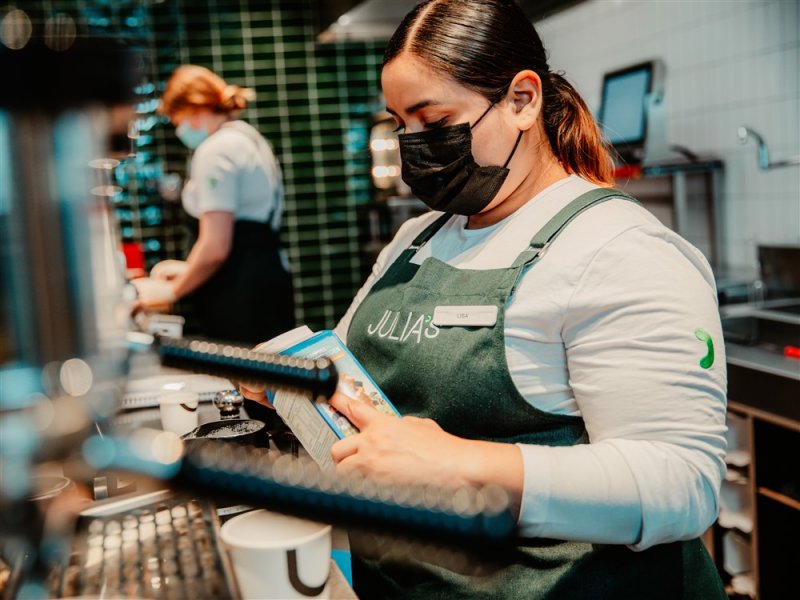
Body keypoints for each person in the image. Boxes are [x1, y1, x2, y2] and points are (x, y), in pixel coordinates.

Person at [243, 0, 728, 597]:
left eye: (434, 119)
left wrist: (458, 463)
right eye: (400, 124)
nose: (413, 146)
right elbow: (358, 381)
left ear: (522, 100)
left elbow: (681, 484)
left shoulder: (618, 249)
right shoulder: (415, 238)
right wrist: (299, 383)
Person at [133, 65, 295, 350]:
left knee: (247, 385)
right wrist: (187, 268)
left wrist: (171, 291)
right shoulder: (246, 136)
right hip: (265, 279)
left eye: (177, 119)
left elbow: (217, 246)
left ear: (194, 110)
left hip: (240, 295)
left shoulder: (215, 150)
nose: (178, 128)